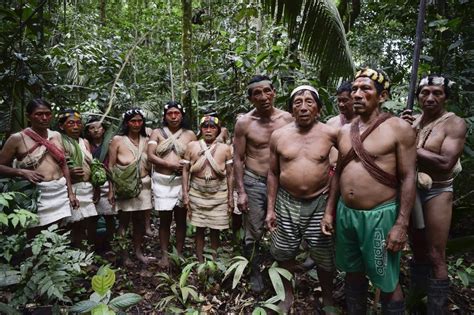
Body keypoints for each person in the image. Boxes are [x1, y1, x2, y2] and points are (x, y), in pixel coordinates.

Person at [321, 68, 416, 314]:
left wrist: (401, 224)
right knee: (353, 272)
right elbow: (338, 173)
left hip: (379, 217)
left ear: (382, 96)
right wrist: (330, 211)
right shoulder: (343, 132)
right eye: (354, 89)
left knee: (386, 278)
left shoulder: (398, 129)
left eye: (366, 89)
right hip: (346, 215)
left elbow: (408, 177)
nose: (358, 94)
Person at [265, 85, 338, 312]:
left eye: (309, 102)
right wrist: (270, 209)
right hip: (287, 201)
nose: (304, 107)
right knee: (284, 251)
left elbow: (341, 169)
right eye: (298, 102)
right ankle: (287, 294)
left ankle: (327, 297)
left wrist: (329, 210)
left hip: (319, 202)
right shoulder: (279, 135)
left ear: (318, 108)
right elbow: (273, 173)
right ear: (291, 109)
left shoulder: (330, 133)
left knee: (324, 254)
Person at [401, 75, 466, 313]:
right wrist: (403, 130)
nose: (430, 97)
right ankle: (416, 299)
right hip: (412, 190)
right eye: (425, 92)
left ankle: (436, 309)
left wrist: (411, 145)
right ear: (418, 96)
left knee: (436, 253)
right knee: (418, 249)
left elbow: (446, 161)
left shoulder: (454, 123)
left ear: (445, 97)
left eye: (436, 93)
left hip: (437, 191)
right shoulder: (414, 121)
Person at [233, 75, 293, 292]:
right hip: (255, 180)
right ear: (250, 98)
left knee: (285, 228)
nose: (263, 96)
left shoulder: (288, 119)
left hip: (283, 182)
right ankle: (255, 271)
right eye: (257, 93)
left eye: (267, 91)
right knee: (254, 229)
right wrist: (241, 191)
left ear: (274, 92)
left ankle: (283, 272)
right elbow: (238, 158)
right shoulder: (244, 123)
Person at [0, 99, 78, 236]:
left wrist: (70, 193)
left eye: (48, 114)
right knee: (35, 233)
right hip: (36, 194)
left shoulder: (56, 135)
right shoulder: (17, 138)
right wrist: (21, 172)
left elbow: (63, 163)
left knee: (58, 232)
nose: (44, 118)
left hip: (59, 191)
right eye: (39, 114)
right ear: (28, 116)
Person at [147, 101, 196, 269]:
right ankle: (165, 255)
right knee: (164, 220)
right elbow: (151, 156)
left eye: (177, 113)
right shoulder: (157, 133)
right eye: (170, 113)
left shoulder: (190, 134)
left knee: (181, 219)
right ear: (165, 116)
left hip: (181, 182)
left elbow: (195, 155)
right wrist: (170, 165)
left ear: (182, 115)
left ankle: (179, 253)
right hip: (162, 181)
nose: (174, 116)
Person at [182, 115, 234, 262]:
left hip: (218, 194)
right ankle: (199, 261)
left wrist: (230, 198)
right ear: (200, 129)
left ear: (218, 130)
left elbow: (230, 174)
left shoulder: (225, 149)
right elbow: (185, 170)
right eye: (205, 127)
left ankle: (214, 260)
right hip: (197, 193)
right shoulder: (192, 146)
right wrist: (185, 194)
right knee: (199, 229)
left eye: (212, 127)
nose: (209, 130)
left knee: (215, 229)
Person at [109, 108, 153, 265]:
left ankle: (138, 251)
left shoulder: (147, 139)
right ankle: (124, 255)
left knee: (140, 221)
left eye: (139, 121)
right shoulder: (117, 140)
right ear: (127, 123)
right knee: (124, 222)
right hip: (125, 187)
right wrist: (111, 190)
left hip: (144, 185)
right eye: (133, 121)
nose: (136, 124)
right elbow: (111, 166)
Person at [58, 109, 98, 248]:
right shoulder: (59, 141)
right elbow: (56, 165)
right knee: (72, 224)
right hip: (72, 188)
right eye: (71, 123)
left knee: (85, 222)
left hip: (86, 187)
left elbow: (90, 165)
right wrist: (68, 171)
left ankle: (85, 255)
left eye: (78, 123)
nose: (75, 126)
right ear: (62, 126)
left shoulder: (84, 142)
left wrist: (96, 186)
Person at [84, 117, 116, 251]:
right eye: (92, 128)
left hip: (108, 183)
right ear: (88, 131)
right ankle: (93, 245)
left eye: (99, 127)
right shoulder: (85, 145)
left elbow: (112, 166)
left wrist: (111, 190)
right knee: (92, 217)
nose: (96, 130)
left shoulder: (110, 143)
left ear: (104, 129)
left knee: (110, 216)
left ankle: (110, 244)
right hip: (92, 185)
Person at [327, 81, 356, 169]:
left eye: (345, 100)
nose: (341, 104)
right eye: (339, 100)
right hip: (332, 173)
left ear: (355, 99)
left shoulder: (363, 124)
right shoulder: (331, 123)